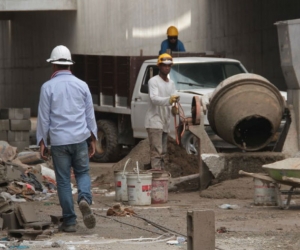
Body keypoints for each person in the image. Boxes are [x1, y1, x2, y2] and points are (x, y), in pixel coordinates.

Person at [36, 45, 98, 232]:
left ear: (53, 66)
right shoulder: (82, 85)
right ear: (69, 65)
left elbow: (43, 117)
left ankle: (70, 222)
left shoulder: (47, 87)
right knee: (82, 173)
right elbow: (90, 115)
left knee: (63, 181)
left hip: (59, 142)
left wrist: (42, 142)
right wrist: (93, 138)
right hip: (80, 139)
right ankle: (84, 199)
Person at [145, 53, 180, 170]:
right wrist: (169, 100)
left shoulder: (171, 84)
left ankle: (162, 177)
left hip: (165, 122)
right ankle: (156, 177)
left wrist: (174, 108)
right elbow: (154, 99)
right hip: (154, 121)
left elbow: (173, 99)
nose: (167, 68)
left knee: (163, 152)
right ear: (159, 66)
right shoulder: (153, 81)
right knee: (156, 152)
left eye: (169, 66)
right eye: (165, 65)